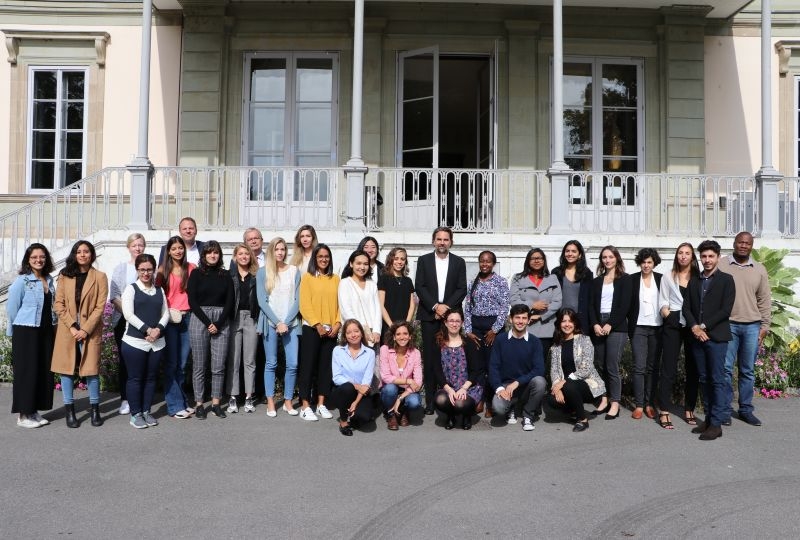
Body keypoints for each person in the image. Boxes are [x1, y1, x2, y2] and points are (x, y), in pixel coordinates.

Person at [51, 240, 109, 428]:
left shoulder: (100, 277)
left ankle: (95, 409)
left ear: (92, 255)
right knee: (66, 370)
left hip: (90, 330)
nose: (83, 254)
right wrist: (73, 326)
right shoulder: (64, 276)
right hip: (68, 330)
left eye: (86, 251)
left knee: (91, 370)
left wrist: (85, 329)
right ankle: (70, 410)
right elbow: (58, 304)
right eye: (79, 251)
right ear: (74, 255)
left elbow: (100, 307)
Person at [717, 231, 771, 427]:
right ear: (734, 243)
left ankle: (746, 410)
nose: (743, 246)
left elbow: (764, 300)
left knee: (747, 370)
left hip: (752, 327)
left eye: (747, 243)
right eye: (740, 242)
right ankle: (723, 410)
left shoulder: (759, 269)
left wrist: (765, 327)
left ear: (751, 246)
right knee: (725, 370)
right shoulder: (721, 264)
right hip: (727, 325)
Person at [683, 239, 735, 441]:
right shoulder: (694, 280)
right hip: (697, 337)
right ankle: (707, 418)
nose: (707, 260)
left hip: (717, 337)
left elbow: (725, 310)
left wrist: (703, 326)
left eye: (711, 256)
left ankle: (716, 423)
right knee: (704, 379)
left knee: (717, 379)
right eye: (703, 256)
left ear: (718, 257)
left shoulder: (726, 280)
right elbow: (686, 307)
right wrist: (695, 327)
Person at [415, 227, 467, 414]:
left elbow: (462, 289)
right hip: (429, 316)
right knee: (430, 359)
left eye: (446, 239)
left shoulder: (459, 262)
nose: (442, 242)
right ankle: (429, 402)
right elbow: (419, 286)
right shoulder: (423, 260)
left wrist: (445, 308)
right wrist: (435, 306)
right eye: (439, 239)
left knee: (451, 358)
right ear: (433, 241)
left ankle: (450, 398)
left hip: (450, 318)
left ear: (451, 242)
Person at [6, 244, 56, 428]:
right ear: (28, 259)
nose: (38, 260)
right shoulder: (22, 281)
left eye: (42, 256)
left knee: (41, 370)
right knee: (26, 372)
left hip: (44, 330)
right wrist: (12, 332)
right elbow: (12, 308)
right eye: (34, 257)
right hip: (25, 330)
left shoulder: (49, 279)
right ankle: (23, 415)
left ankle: (33, 410)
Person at [121, 254, 169, 429]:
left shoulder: (159, 290)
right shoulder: (131, 289)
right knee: (135, 378)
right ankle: (135, 414)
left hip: (156, 343)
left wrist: (158, 330)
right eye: (142, 269)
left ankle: (146, 411)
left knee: (150, 379)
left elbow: (166, 313)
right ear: (137, 270)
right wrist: (147, 330)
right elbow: (128, 314)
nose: (146, 273)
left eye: (149, 269)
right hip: (135, 342)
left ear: (154, 270)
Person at [187, 240, 234, 419]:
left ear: (220, 255)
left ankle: (216, 403)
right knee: (199, 365)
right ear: (204, 255)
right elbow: (192, 301)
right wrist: (208, 323)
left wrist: (219, 323)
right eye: (209, 252)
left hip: (222, 321)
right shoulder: (196, 274)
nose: (212, 255)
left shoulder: (226, 275)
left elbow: (230, 301)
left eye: (216, 253)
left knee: (218, 366)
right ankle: (199, 404)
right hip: (200, 319)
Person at [257, 237, 301, 417]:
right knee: (271, 363)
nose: (280, 252)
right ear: (271, 252)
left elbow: (298, 300)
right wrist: (277, 322)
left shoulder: (294, 271)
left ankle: (288, 401)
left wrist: (286, 322)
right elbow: (262, 301)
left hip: (291, 324)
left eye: (283, 249)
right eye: (277, 249)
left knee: (293, 364)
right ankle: (270, 401)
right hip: (270, 323)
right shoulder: (263, 272)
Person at [658, 242, 701, 427]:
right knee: (668, 368)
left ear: (692, 257)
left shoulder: (699, 278)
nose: (683, 256)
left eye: (687, 253)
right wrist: (669, 317)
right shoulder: (668, 276)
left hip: (693, 325)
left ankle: (689, 408)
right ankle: (664, 410)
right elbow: (662, 302)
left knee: (693, 368)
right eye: (680, 253)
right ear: (676, 256)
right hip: (673, 323)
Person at [297, 244, 341, 421]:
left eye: (327, 256)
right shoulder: (307, 278)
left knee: (326, 368)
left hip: (331, 331)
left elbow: (341, 304)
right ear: (315, 258)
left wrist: (337, 324)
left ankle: (321, 404)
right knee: (308, 367)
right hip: (312, 329)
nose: (324, 259)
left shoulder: (336, 279)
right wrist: (317, 324)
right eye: (320, 256)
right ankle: (305, 405)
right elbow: (304, 304)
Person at [463, 250, 509, 417]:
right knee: (477, 366)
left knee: (492, 366)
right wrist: (468, 330)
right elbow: (467, 308)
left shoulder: (501, 282)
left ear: (493, 263)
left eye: (488, 261)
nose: (485, 264)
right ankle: (479, 399)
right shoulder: (472, 283)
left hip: (493, 328)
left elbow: (504, 308)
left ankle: (491, 402)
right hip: (475, 328)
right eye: (482, 261)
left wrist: (495, 330)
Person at [588, 245, 631, 420]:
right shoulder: (596, 281)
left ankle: (615, 402)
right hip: (599, 325)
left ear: (617, 259)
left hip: (617, 326)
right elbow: (590, 305)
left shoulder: (625, 279)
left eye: (611, 257)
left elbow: (624, 306)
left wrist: (610, 324)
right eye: (604, 257)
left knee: (612, 365)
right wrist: (595, 324)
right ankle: (604, 399)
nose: (607, 260)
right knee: (601, 365)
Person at [488, 304, 547, 431]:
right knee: (498, 408)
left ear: (529, 320)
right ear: (511, 319)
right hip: (505, 386)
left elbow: (539, 369)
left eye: (524, 318)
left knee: (540, 382)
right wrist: (499, 388)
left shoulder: (535, 342)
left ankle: (528, 414)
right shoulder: (500, 340)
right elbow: (493, 367)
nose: (520, 321)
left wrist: (517, 382)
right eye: (517, 317)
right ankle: (512, 407)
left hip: (525, 386)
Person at [548, 308, 607, 432]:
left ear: (575, 323)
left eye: (570, 321)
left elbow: (586, 368)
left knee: (569, 386)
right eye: (564, 321)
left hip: (587, 385)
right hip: (568, 385)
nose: (567, 324)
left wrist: (563, 383)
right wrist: (556, 387)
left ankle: (582, 420)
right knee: (552, 399)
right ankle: (574, 409)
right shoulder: (556, 346)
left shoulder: (585, 340)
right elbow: (554, 370)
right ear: (559, 324)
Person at [156, 236, 195, 419]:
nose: (178, 251)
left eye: (181, 248)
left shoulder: (191, 268)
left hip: (188, 319)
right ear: (168, 251)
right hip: (170, 320)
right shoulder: (163, 271)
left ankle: (182, 402)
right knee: (171, 364)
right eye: (174, 248)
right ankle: (174, 406)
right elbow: (156, 296)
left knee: (182, 364)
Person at [109, 233, 146, 416]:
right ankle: (125, 399)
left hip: (144, 320)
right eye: (134, 245)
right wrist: (129, 314)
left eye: (140, 245)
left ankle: (139, 397)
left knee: (142, 359)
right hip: (123, 319)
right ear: (129, 247)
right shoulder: (121, 268)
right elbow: (114, 295)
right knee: (125, 360)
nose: (137, 248)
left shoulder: (148, 268)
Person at [627, 248, 663, 421]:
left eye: (649, 262)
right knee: (639, 367)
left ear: (654, 263)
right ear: (639, 263)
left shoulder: (662, 279)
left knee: (653, 368)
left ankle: (649, 404)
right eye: (643, 262)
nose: (646, 265)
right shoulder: (632, 279)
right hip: (639, 328)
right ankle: (639, 405)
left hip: (657, 328)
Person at [433, 309, 482, 430]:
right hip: (448, 387)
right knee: (440, 400)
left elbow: (475, 370)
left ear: (462, 323)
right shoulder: (439, 343)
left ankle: (466, 415)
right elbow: (437, 370)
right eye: (451, 321)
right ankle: (450, 416)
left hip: (468, 387)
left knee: (461, 404)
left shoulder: (469, 343)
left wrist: (464, 388)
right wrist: (448, 389)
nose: (454, 324)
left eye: (457, 321)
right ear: (445, 322)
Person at [509, 248, 562, 355]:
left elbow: (557, 301)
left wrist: (541, 316)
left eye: (539, 258)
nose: (536, 261)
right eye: (533, 258)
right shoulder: (518, 278)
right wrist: (531, 305)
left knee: (541, 363)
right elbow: (514, 300)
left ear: (544, 260)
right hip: (524, 327)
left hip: (546, 328)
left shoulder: (552, 278)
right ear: (528, 261)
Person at [227, 243, 259, 414]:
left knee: (249, 360)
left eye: (247, 253)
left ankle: (248, 396)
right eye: (240, 253)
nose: (244, 256)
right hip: (234, 318)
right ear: (235, 256)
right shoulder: (229, 275)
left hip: (251, 318)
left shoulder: (256, 275)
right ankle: (233, 396)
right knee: (234, 359)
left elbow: (261, 300)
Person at [330, 319, 377, 436]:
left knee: (364, 418)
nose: (353, 335)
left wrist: (356, 403)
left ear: (361, 332)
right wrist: (355, 385)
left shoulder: (370, 353)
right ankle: (343, 422)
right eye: (349, 332)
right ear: (345, 336)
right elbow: (336, 377)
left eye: (356, 331)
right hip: (341, 391)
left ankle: (356, 414)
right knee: (348, 387)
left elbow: (366, 382)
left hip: (361, 394)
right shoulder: (338, 350)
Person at [379, 321, 423, 430]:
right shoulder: (384, 349)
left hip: (407, 391)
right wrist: (408, 381)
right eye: (398, 334)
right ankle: (391, 415)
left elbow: (418, 382)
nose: (402, 337)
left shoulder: (415, 353)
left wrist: (400, 398)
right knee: (390, 389)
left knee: (415, 402)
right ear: (393, 337)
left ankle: (402, 412)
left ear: (410, 336)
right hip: (391, 388)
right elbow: (385, 377)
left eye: (405, 334)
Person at [339, 250, 382, 347]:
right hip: (353, 333)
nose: (362, 267)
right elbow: (346, 310)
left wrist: (377, 331)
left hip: (372, 334)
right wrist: (361, 330)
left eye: (366, 264)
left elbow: (378, 310)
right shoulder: (345, 283)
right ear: (351, 264)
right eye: (358, 263)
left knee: (373, 361)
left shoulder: (372, 284)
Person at [552, 240, 593, 332]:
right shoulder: (556, 272)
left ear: (580, 254)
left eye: (574, 251)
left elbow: (590, 298)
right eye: (567, 251)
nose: (570, 254)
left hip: (580, 319)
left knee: (580, 346)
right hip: (561, 319)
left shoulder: (587, 273)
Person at [377, 247, 415, 339]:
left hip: (404, 327)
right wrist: (391, 326)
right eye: (396, 258)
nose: (399, 262)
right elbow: (380, 305)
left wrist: (406, 325)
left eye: (402, 259)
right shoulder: (384, 279)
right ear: (391, 259)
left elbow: (412, 305)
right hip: (388, 326)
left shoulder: (408, 281)